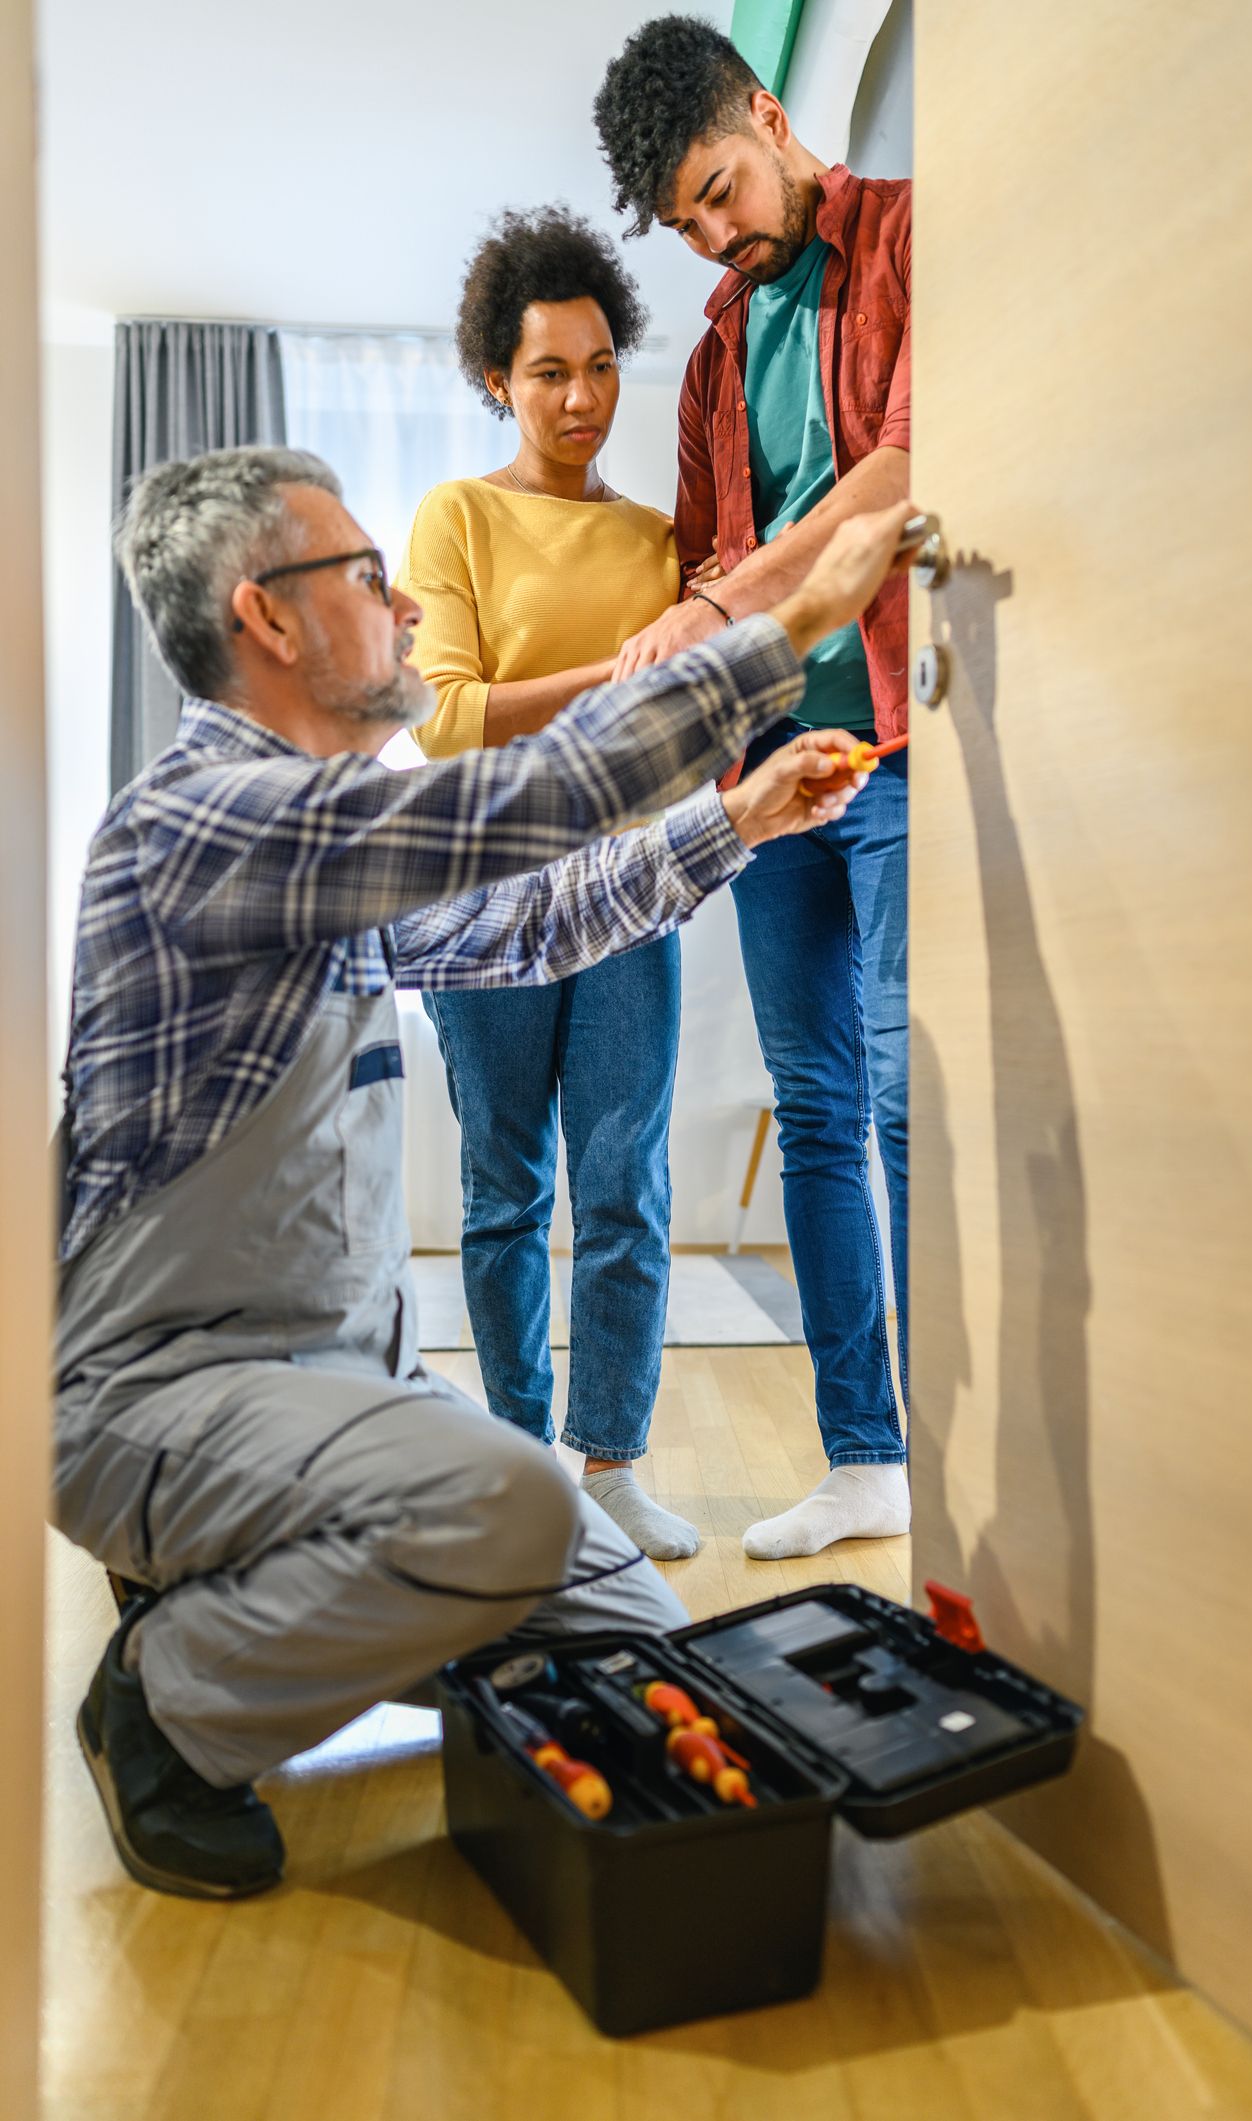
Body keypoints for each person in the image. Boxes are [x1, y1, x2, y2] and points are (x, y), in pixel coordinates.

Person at [55, 439, 912, 1899]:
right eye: (366, 576)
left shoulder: (313, 837)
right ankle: (170, 1696)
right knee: (503, 1504)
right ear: (264, 616)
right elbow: (517, 802)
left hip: (338, 1389)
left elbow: (525, 919)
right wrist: (799, 619)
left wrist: (737, 817)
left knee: (636, 1641)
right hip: (161, 1403)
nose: (403, 609)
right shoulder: (201, 821)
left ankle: (268, 1592)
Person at [594, 17, 914, 1563]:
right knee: (819, 1111)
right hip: (778, 771)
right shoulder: (719, 345)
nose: (715, 239)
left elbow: (903, 471)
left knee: (908, 1096)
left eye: (719, 192)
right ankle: (867, 1457)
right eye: (686, 225)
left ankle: (962, 1455)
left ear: (772, 119)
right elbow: (705, 550)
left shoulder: (911, 239)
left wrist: (723, 603)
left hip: (906, 742)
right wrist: (704, 615)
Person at [402, 209, 700, 1561]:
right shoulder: (457, 516)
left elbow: (688, 724)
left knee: (626, 1186)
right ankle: (524, 1469)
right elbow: (447, 718)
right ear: (497, 380)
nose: (581, 398)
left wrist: (662, 670)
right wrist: (625, 672)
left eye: (599, 366)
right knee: (506, 1188)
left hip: (630, 890)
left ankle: (613, 1467)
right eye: (547, 373)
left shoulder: (659, 541)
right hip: (486, 896)